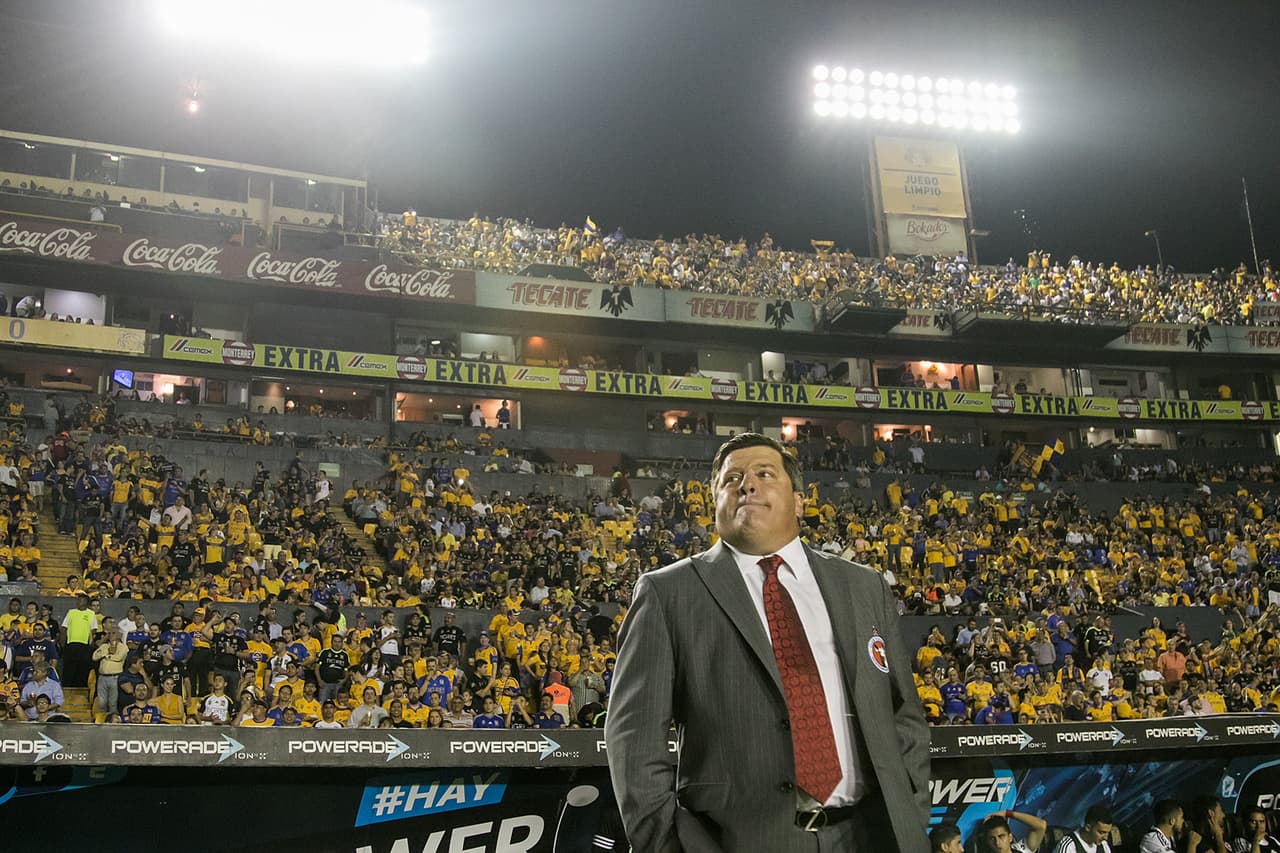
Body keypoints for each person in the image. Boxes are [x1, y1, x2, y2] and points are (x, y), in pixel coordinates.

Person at [605, 432, 929, 853]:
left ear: (798, 501)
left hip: (872, 835)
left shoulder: (863, 585)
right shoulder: (667, 593)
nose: (747, 484)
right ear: (714, 501)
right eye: (731, 478)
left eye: (763, 473)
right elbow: (633, 738)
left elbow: (903, 713)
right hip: (739, 841)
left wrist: (911, 811)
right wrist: (668, 844)